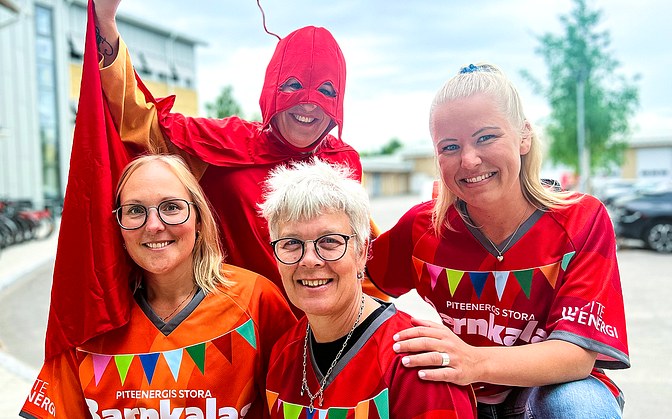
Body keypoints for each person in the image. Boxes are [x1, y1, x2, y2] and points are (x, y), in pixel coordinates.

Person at [366, 63, 630, 418]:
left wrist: (472, 360)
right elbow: (357, 286)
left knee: (577, 405)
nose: (469, 160)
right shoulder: (423, 227)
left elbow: (576, 356)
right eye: (450, 146)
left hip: (547, 391)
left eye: (486, 137)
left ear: (523, 136)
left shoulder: (581, 219)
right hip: (463, 395)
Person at [92, 0, 386, 317]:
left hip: (325, 328)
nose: (309, 105)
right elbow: (141, 123)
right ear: (273, 88)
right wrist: (105, 22)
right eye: (293, 86)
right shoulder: (223, 144)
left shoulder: (343, 161)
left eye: (326, 91)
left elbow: (360, 251)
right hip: (241, 325)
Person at [20, 155, 296, 419]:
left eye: (171, 207)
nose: (153, 225)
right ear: (117, 225)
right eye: (136, 210)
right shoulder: (91, 315)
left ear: (198, 218)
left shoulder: (255, 299)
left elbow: (298, 402)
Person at [259, 159, 476, 419]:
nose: (309, 259)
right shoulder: (283, 354)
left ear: (362, 252)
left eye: (329, 241)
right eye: (291, 243)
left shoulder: (417, 363)